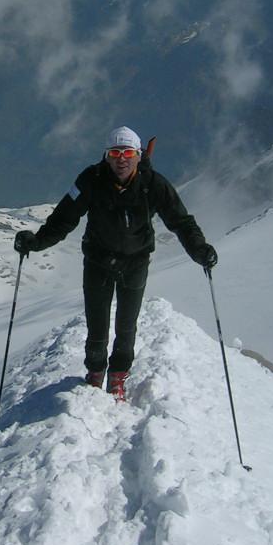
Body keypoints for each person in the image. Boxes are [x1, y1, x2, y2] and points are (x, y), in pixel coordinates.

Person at [14, 126, 217, 401]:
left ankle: (118, 375)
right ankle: (95, 372)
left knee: (126, 325)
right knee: (96, 325)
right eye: (115, 153)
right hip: (98, 262)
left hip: (136, 263)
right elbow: (64, 218)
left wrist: (199, 250)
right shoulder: (91, 180)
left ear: (138, 155)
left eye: (128, 153)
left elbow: (181, 221)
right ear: (106, 156)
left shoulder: (153, 184)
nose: (122, 159)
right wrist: (36, 242)